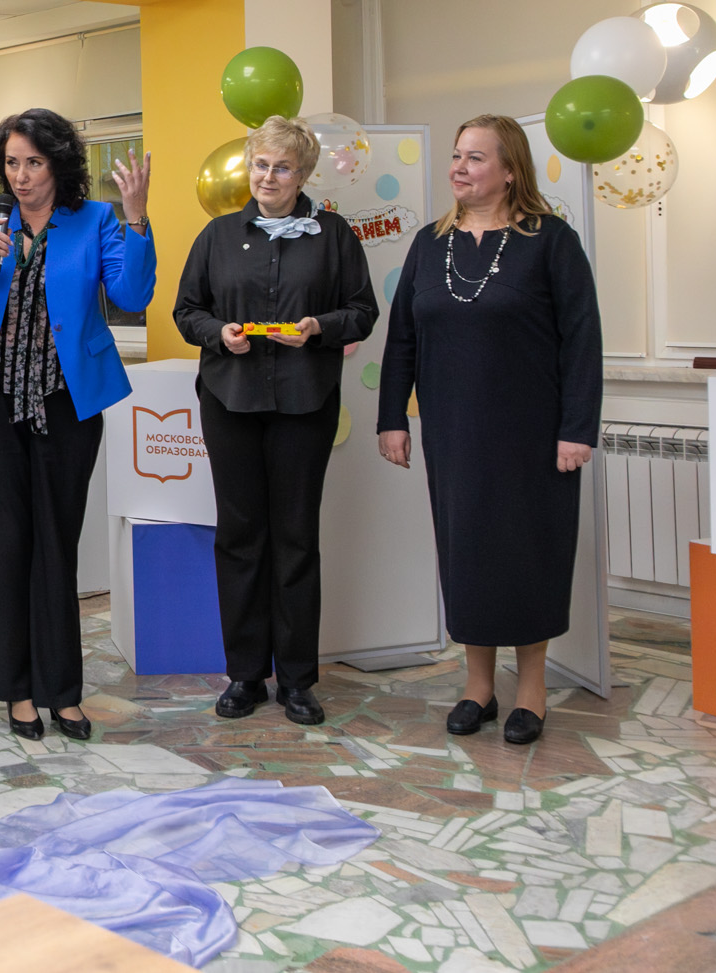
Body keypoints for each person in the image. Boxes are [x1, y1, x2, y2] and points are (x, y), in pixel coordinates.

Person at [377, 115, 600, 746]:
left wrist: (577, 428)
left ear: (509, 169)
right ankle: (478, 686)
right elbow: (402, 339)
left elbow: (582, 340)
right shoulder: (429, 243)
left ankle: (531, 690)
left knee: (528, 555)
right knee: (467, 554)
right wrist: (392, 417)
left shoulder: (551, 241)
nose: (459, 167)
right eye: (456, 155)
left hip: (533, 435)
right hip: (454, 433)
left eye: (475, 157)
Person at [0, 108, 154, 742]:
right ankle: (16, 690)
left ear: (58, 164)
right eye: (11, 163)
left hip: (65, 406)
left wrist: (137, 217)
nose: (21, 175)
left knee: (55, 547)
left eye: (33, 162)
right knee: (1, 551)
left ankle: (62, 691)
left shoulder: (96, 220)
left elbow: (133, 295)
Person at [173, 116, 378, 727]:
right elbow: (188, 311)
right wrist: (219, 334)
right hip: (229, 400)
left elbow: (362, 311)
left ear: (303, 174)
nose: (267, 176)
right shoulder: (216, 235)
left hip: (303, 404)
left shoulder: (334, 235)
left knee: (295, 538)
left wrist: (318, 328)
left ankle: (296, 679)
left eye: (282, 167)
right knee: (239, 537)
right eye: (260, 164)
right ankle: (244, 675)